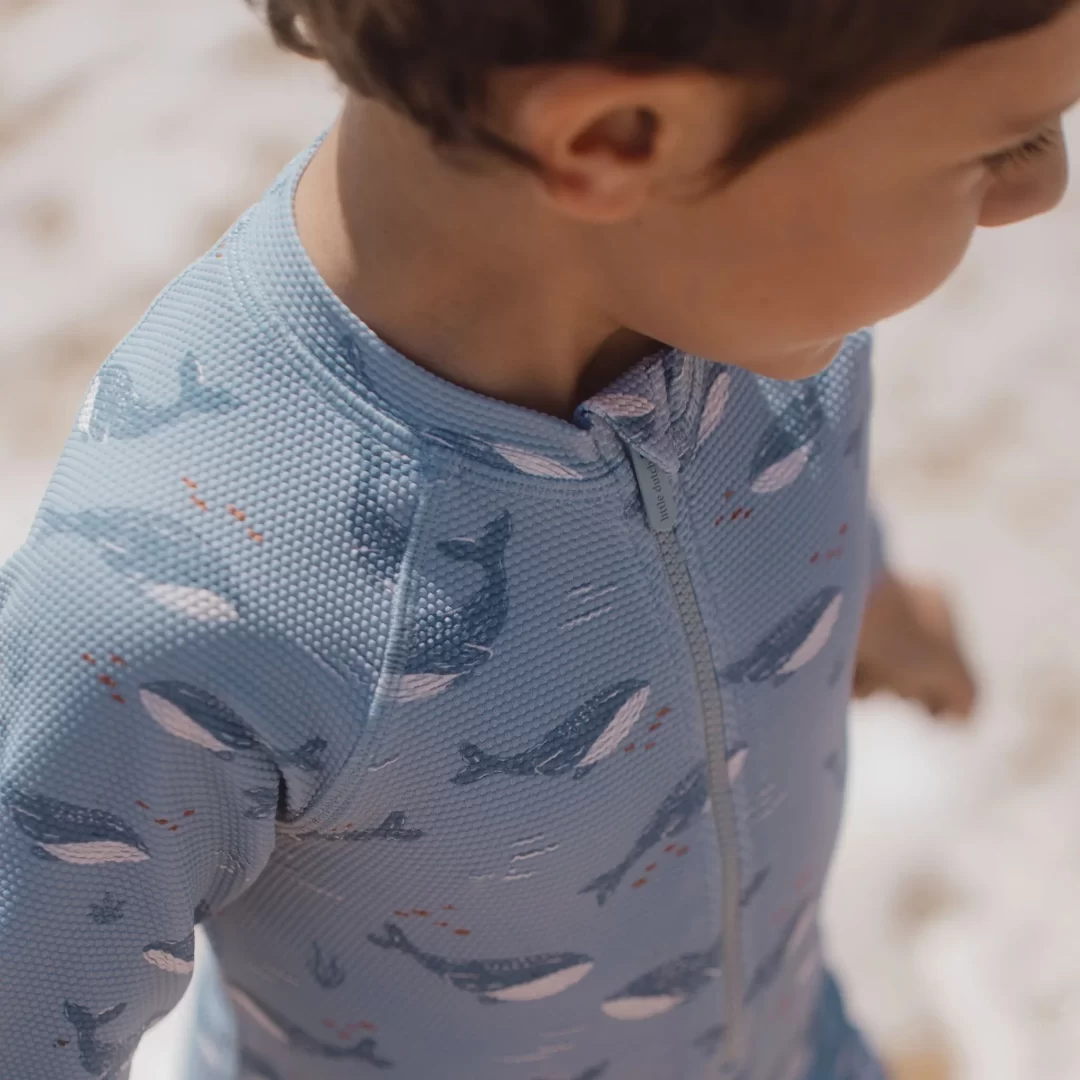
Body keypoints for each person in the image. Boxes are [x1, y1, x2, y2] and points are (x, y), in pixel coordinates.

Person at [1, 0, 1074, 1076]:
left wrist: (869, 594)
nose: (1044, 190)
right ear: (618, 139)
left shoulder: (759, 301)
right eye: (1004, 144)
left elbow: (779, 474)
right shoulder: (172, 605)